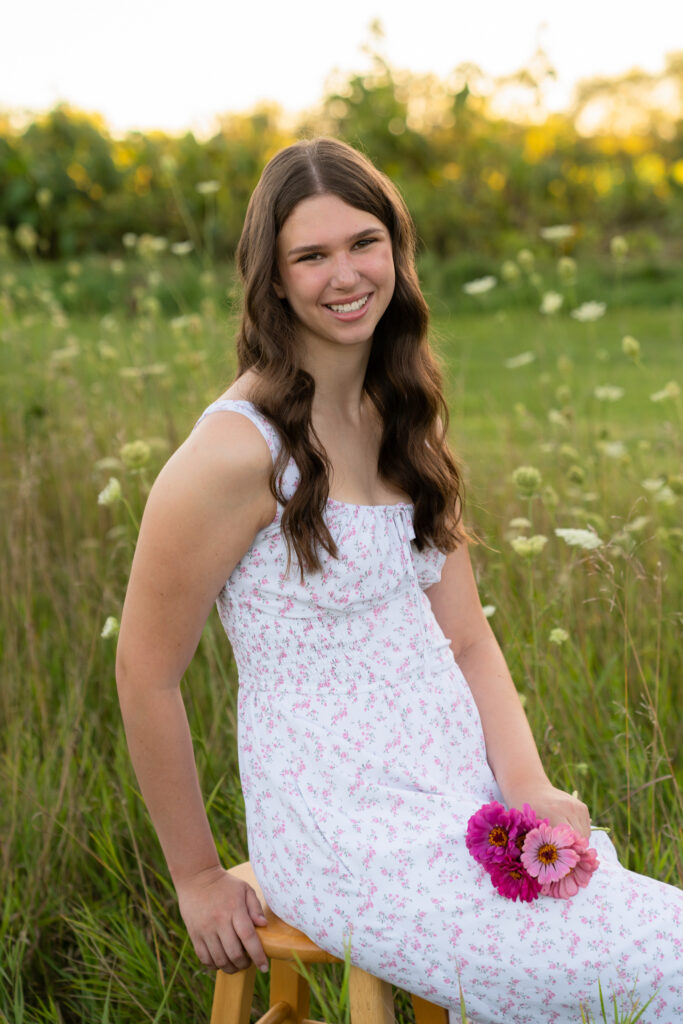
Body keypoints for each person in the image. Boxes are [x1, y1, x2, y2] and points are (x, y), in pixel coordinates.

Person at [116, 137, 682, 1023]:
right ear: (271, 278)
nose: (344, 275)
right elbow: (146, 674)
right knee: (650, 970)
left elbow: (465, 637)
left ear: (396, 249)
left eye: (362, 243)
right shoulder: (233, 454)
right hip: (342, 833)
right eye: (311, 255)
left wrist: (526, 784)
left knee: (647, 939)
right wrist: (194, 876)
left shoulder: (399, 414)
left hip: (458, 797)